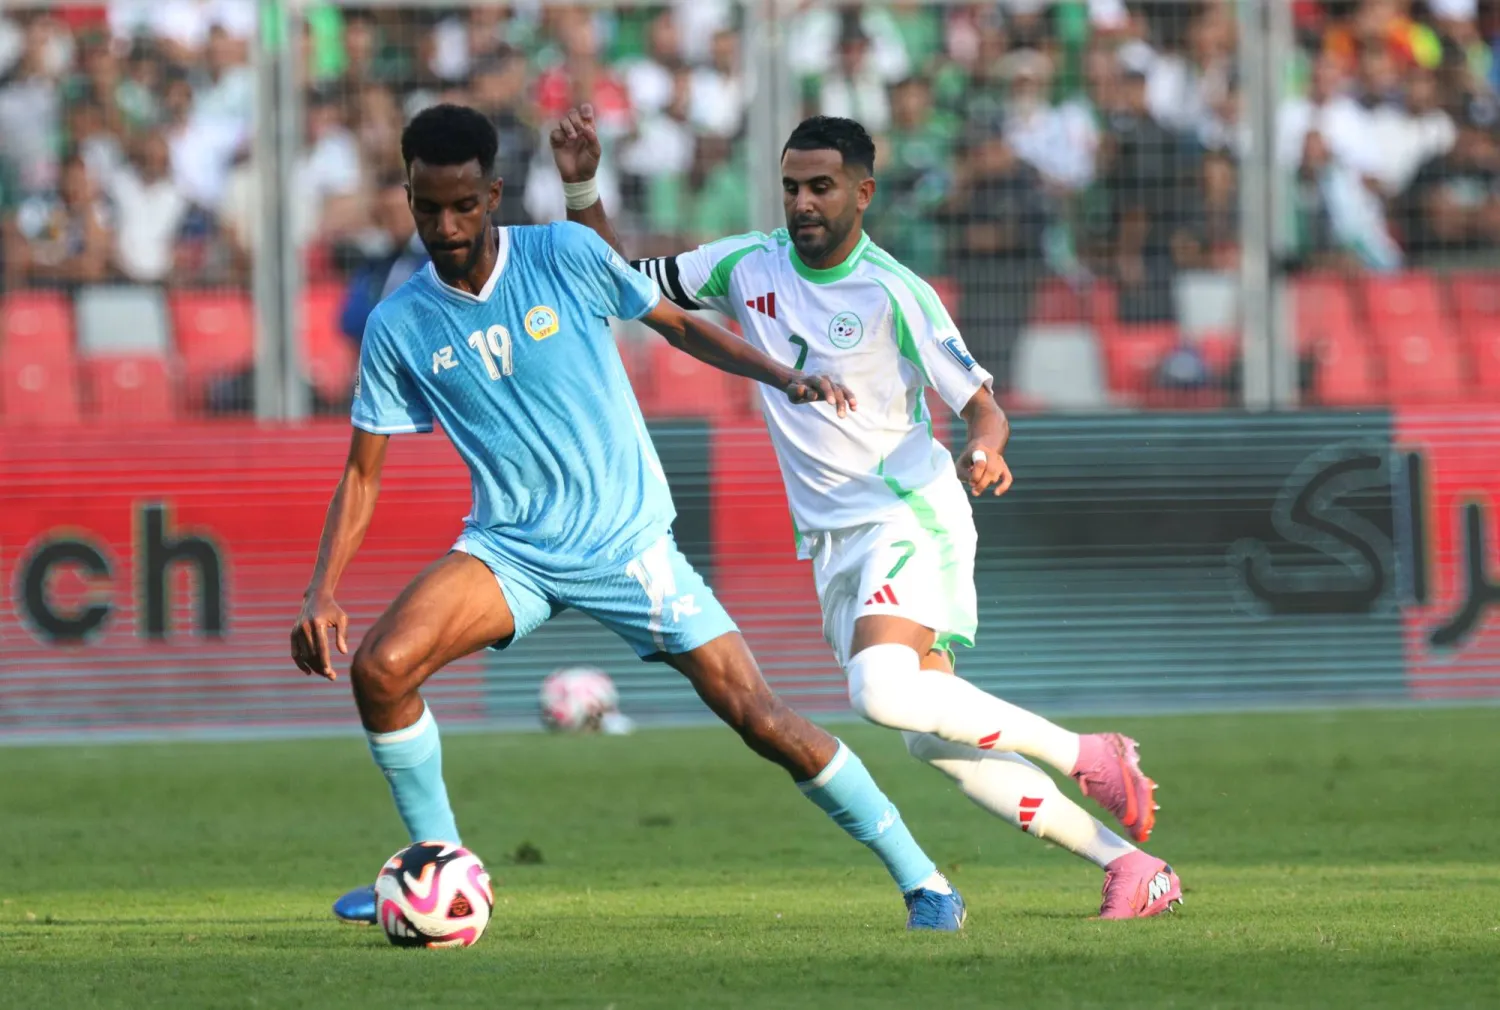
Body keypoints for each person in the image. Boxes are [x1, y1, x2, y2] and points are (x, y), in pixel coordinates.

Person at [291, 104, 968, 933]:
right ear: (408, 196)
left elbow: (680, 327)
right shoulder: (400, 324)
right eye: (427, 207)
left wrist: (785, 378)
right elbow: (364, 472)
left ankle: (924, 880)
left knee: (762, 720)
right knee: (381, 670)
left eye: (463, 204)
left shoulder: (566, 254)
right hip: (511, 553)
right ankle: (441, 872)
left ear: (494, 192)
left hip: (629, 548)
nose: (446, 224)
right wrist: (322, 589)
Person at [553, 107, 1183, 919]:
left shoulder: (895, 291)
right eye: (791, 187)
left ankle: (1090, 752)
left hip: (907, 514)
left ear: (863, 192)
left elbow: (984, 407)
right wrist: (582, 184)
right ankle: (1131, 867)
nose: (803, 202)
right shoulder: (747, 265)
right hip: (832, 541)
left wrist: (986, 449)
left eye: (821, 187)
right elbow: (622, 280)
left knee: (880, 692)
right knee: (932, 737)